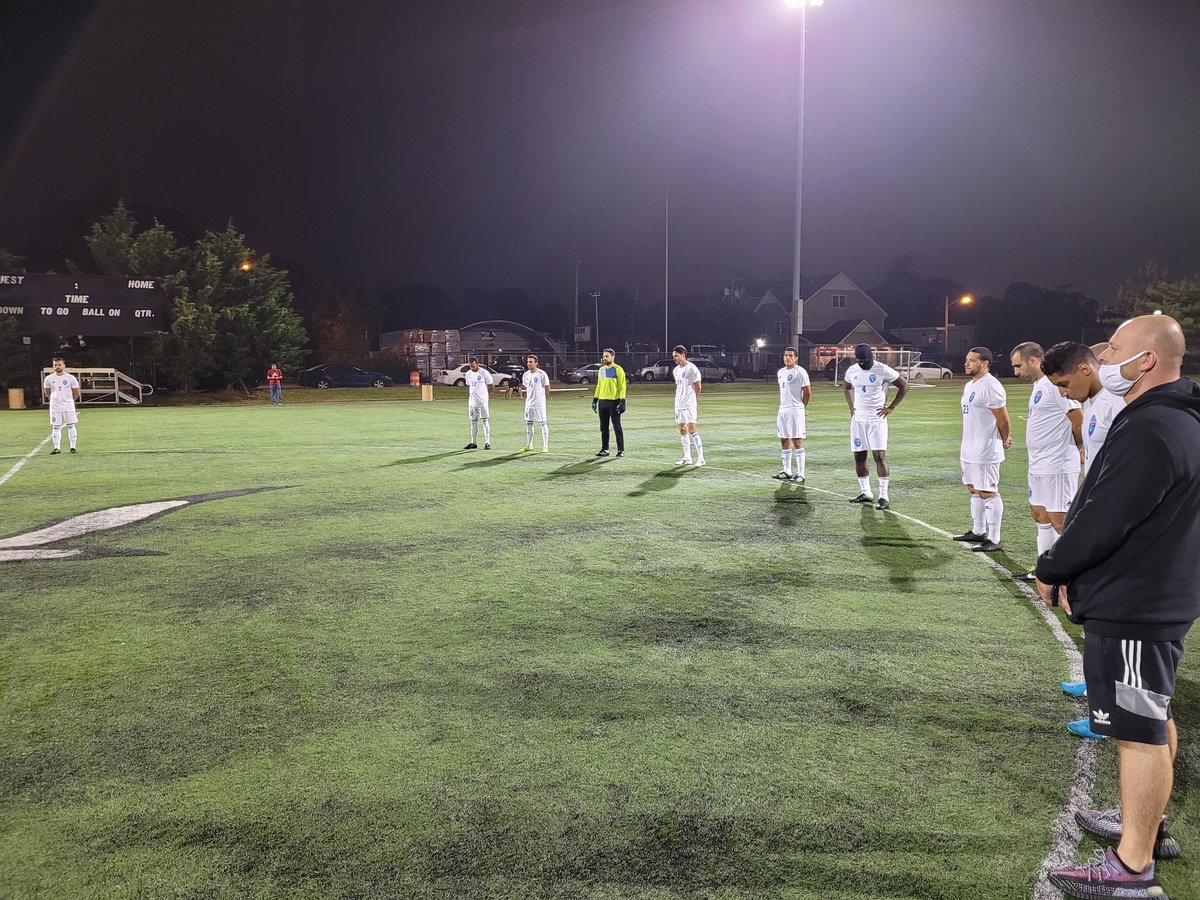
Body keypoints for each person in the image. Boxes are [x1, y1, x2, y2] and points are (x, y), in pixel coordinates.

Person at [1036, 315, 1198, 896]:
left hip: (1137, 601)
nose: (1105, 356)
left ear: (1148, 360)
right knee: (1153, 715)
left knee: (1137, 731)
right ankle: (1146, 829)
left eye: (1118, 349)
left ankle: (1133, 868)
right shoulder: (1178, 416)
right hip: (1158, 594)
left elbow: (1107, 518)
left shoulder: (1154, 427)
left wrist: (1053, 567)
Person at [1042, 340, 1129, 738]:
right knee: (1094, 616)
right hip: (1093, 510)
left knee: (1111, 622)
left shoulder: (1115, 405)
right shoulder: (1094, 404)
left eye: (1063, 383)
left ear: (1085, 370)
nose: (1063, 393)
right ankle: (1099, 688)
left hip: (1112, 524)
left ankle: (1109, 713)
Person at [1010, 342, 1083, 578]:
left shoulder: (1054, 383)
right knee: (1040, 515)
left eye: (1018, 365)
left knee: (1061, 521)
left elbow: (1077, 418)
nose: (1016, 372)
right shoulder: (1039, 385)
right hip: (1039, 464)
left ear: (1034, 360)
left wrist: (1080, 447)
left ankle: (1071, 573)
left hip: (1057, 464)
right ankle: (1046, 570)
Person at [953, 347, 1011, 552]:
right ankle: (978, 530)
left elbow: (1002, 419)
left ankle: (994, 538)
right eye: (966, 360)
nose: (966, 363)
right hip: (968, 447)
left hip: (986, 448)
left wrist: (1005, 439)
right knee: (973, 488)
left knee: (988, 491)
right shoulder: (970, 385)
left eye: (972, 360)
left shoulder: (991, 386)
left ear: (985, 363)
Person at [841, 343, 908, 508]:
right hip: (858, 421)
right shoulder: (852, 371)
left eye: (865, 360)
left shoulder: (882, 369)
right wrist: (852, 406)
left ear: (871, 356)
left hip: (876, 420)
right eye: (859, 360)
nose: (862, 363)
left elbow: (904, 385)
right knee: (859, 456)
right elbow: (847, 387)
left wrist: (891, 407)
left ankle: (884, 496)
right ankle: (866, 493)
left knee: (879, 456)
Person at [774, 346, 812, 483]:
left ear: (796, 358)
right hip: (783, 410)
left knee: (797, 440)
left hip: (796, 411)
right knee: (784, 439)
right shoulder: (780, 372)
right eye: (785, 355)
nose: (787, 358)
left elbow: (807, 392)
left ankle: (801, 474)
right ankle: (787, 471)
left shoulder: (800, 372)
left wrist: (802, 407)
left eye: (790, 355)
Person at [671, 345, 705, 467]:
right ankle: (687, 457)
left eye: (677, 356)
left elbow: (698, 387)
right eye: (674, 356)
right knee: (683, 429)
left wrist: (694, 401)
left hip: (689, 404)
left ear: (683, 355)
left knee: (692, 429)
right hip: (679, 404)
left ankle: (701, 458)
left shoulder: (692, 369)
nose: (675, 358)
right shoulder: (676, 370)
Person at [591, 348, 627, 457]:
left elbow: (622, 386)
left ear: (613, 357)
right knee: (603, 427)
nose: (604, 358)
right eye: (604, 356)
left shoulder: (618, 369)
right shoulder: (601, 370)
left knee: (617, 426)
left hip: (614, 402)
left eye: (607, 356)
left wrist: (622, 400)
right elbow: (599, 385)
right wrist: (595, 399)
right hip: (602, 402)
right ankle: (605, 449)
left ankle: (621, 450)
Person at [42, 356, 81, 455]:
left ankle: (73, 447)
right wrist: (54, 400)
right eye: (55, 365)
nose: (57, 367)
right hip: (55, 406)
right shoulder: (49, 378)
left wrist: (70, 401)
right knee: (56, 427)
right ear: (53, 366)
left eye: (59, 364)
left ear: (64, 365)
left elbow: (76, 392)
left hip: (68, 405)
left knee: (71, 425)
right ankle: (56, 448)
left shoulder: (70, 378)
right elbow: (47, 392)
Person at [519, 354, 550, 452]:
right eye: (528, 362)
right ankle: (529, 445)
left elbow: (547, 387)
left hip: (539, 404)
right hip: (529, 403)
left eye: (531, 362)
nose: (529, 364)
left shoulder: (541, 374)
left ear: (536, 363)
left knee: (543, 423)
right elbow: (527, 387)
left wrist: (543, 399)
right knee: (529, 423)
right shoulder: (526, 375)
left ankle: (545, 446)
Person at [463, 357, 493, 450]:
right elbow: (470, 385)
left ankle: (487, 442)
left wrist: (485, 396)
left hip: (482, 402)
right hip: (472, 402)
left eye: (473, 365)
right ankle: (473, 442)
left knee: (484, 421)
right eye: (470, 366)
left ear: (477, 364)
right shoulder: (468, 374)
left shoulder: (484, 373)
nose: (472, 367)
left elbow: (491, 385)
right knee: (473, 422)